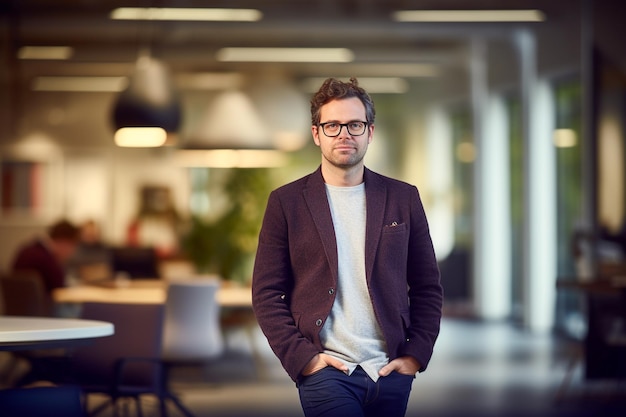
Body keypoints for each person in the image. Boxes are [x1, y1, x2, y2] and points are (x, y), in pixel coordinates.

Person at [252, 77, 443, 417]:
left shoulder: (403, 198)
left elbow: (428, 286)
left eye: (354, 124)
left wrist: (416, 355)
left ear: (370, 131)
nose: (344, 134)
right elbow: (266, 292)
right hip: (326, 370)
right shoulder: (286, 203)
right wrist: (302, 358)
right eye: (333, 125)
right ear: (316, 133)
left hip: (389, 369)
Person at [11, 219, 80, 295]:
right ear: (64, 242)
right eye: (73, 245)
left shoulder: (27, 249)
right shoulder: (47, 260)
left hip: (19, 304)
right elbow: (61, 288)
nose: (72, 251)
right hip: (43, 305)